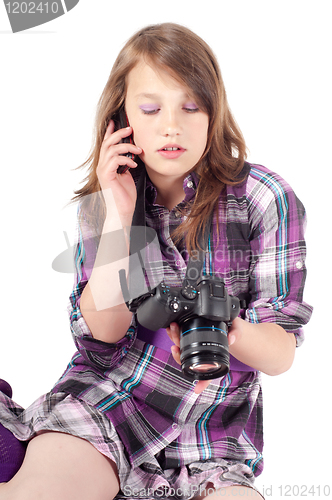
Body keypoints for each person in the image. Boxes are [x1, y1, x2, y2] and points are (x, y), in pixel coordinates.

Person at [0, 23, 313, 499]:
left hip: (214, 442)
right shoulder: (103, 206)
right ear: (120, 120)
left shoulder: (264, 199)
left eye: (191, 107)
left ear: (215, 113)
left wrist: (227, 327)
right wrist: (121, 217)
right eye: (150, 109)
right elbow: (103, 337)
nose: (171, 125)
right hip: (106, 408)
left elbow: (280, 353)